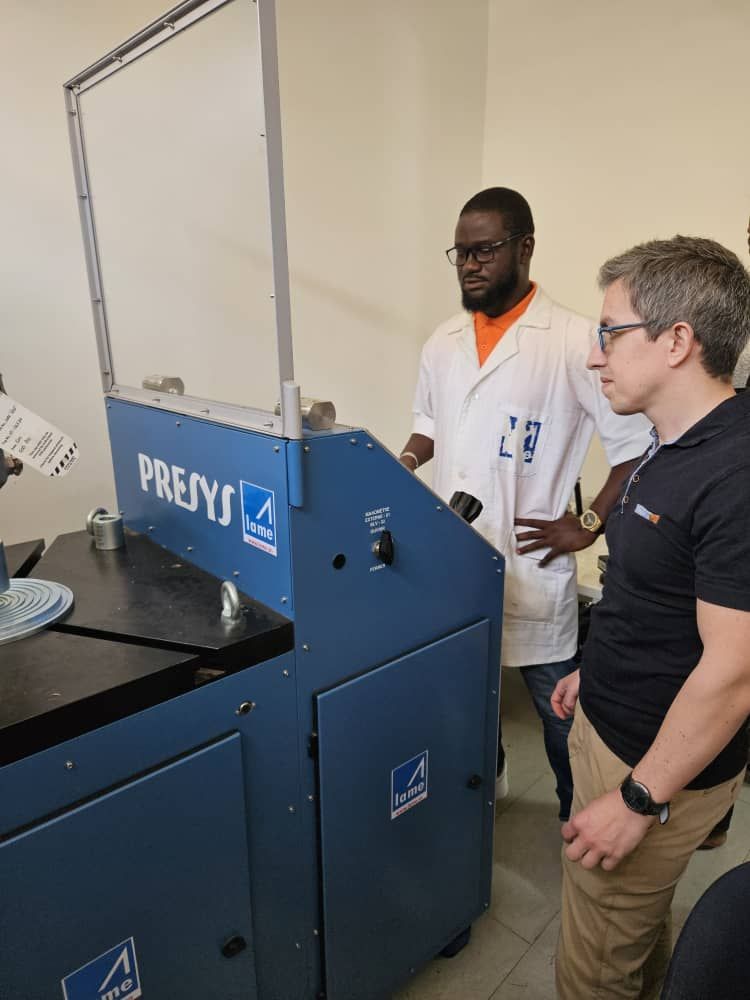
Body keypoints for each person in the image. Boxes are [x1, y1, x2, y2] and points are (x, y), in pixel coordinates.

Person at [399, 187, 651, 821]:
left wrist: (588, 524)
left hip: (531, 563)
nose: (469, 264)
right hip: (453, 558)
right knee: (464, 695)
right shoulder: (443, 340)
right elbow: (429, 423)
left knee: (558, 711)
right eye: (461, 253)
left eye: (484, 250)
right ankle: (489, 781)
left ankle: (577, 815)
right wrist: (403, 462)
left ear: (525, 247)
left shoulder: (574, 340)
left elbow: (633, 447)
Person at [552, 235, 750, 999]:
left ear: (676, 341)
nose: (594, 356)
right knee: (633, 931)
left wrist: (638, 799)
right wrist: (592, 667)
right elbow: (652, 590)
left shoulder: (734, 475)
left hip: (649, 766)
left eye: (610, 333)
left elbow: (734, 673)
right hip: (615, 719)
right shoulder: (672, 442)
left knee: (595, 966)